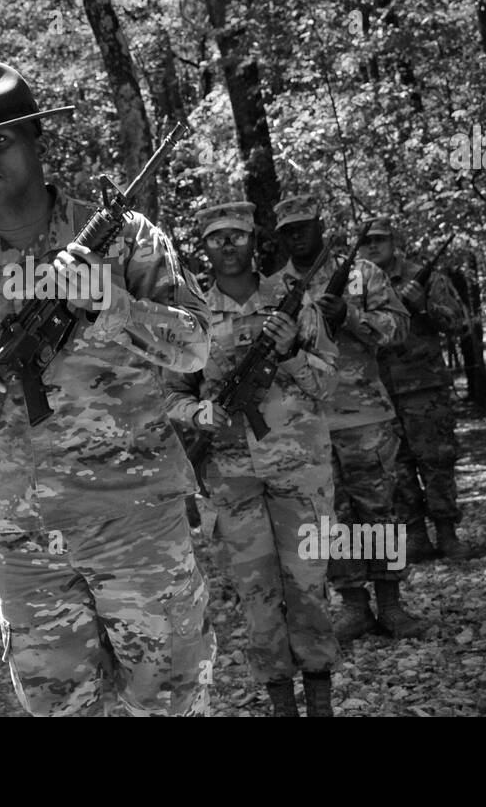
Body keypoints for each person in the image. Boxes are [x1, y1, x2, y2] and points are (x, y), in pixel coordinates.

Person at [0, 61, 215, 716]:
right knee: (57, 706)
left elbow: (196, 341)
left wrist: (113, 304)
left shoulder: (127, 238)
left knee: (167, 702)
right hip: (26, 539)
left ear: (39, 143)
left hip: (133, 517)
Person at [164, 202, 340, 716]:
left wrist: (291, 354)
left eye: (237, 236)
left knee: (308, 588)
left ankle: (322, 699)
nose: (228, 246)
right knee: (257, 598)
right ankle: (282, 702)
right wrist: (198, 414)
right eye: (217, 238)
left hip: (299, 469)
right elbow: (169, 396)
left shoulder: (296, 306)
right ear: (206, 247)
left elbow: (329, 381)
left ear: (254, 241)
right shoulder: (191, 318)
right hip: (230, 477)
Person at [271, 196, 423, 641]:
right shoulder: (273, 287)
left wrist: (352, 316)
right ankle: (354, 605)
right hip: (307, 421)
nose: (297, 235)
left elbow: (401, 327)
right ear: (280, 236)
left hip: (364, 416)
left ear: (320, 227)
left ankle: (392, 604)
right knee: (327, 519)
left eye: (304, 226)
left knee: (379, 510)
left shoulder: (363, 273)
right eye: (288, 230)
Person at [359, 218, 471, 561]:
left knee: (436, 460)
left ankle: (448, 534)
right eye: (367, 241)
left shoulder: (424, 277)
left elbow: (459, 323)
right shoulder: (357, 286)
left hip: (424, 387)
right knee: (396, 467)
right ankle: (416, 536)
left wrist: (423, 305)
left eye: (380, 240)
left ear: (394, 242)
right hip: (378, 390)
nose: (373, 246)